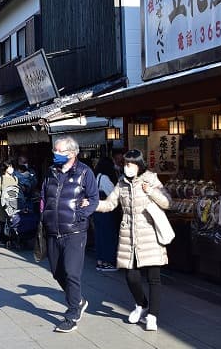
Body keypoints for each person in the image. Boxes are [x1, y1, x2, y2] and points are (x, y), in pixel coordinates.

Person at [92, 149, 171, 332]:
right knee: (131, 276)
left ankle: (152, 315)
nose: (126, 167)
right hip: (129, 235)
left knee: (154, 277)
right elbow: (110, 203)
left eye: (130, 164)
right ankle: (141, 304)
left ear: (139, 165)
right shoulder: (121, 183)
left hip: (150, 234)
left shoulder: (151, 179)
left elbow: (167, 202)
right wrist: (93, 204)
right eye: (125, 164)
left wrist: (151, 192)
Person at [40, 136, 99, 333]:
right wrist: (44, 215)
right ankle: (79, 300)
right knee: (57, 272)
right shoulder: (51, 172)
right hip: (52, 230)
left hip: (74, 231)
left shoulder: (85, 173)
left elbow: (93, 199)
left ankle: (73, 312)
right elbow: (43, 196)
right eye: (54, 151)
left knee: (71, 272)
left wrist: (79, 215)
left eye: (59, 152)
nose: (55, 155)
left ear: (72, 153)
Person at [92, 157, 119, 272]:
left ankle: (100, 261)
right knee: (108, 236)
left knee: (100, 236)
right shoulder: (105, 178)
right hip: (105, 211)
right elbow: (112, 194)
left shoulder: (97, 176)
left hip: (97, 210)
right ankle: (107, 262)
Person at [0, 160, 19, 246]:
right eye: (9, 166)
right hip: (2, 205)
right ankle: (3, 239)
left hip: (13, 204)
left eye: (12, 166)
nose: (11, 168)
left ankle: (11, 239)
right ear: (5, 168)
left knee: (12, 222)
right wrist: (3, 196)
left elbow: (16, 190)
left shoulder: (15, 178)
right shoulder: (0, 179)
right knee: (3, 222)